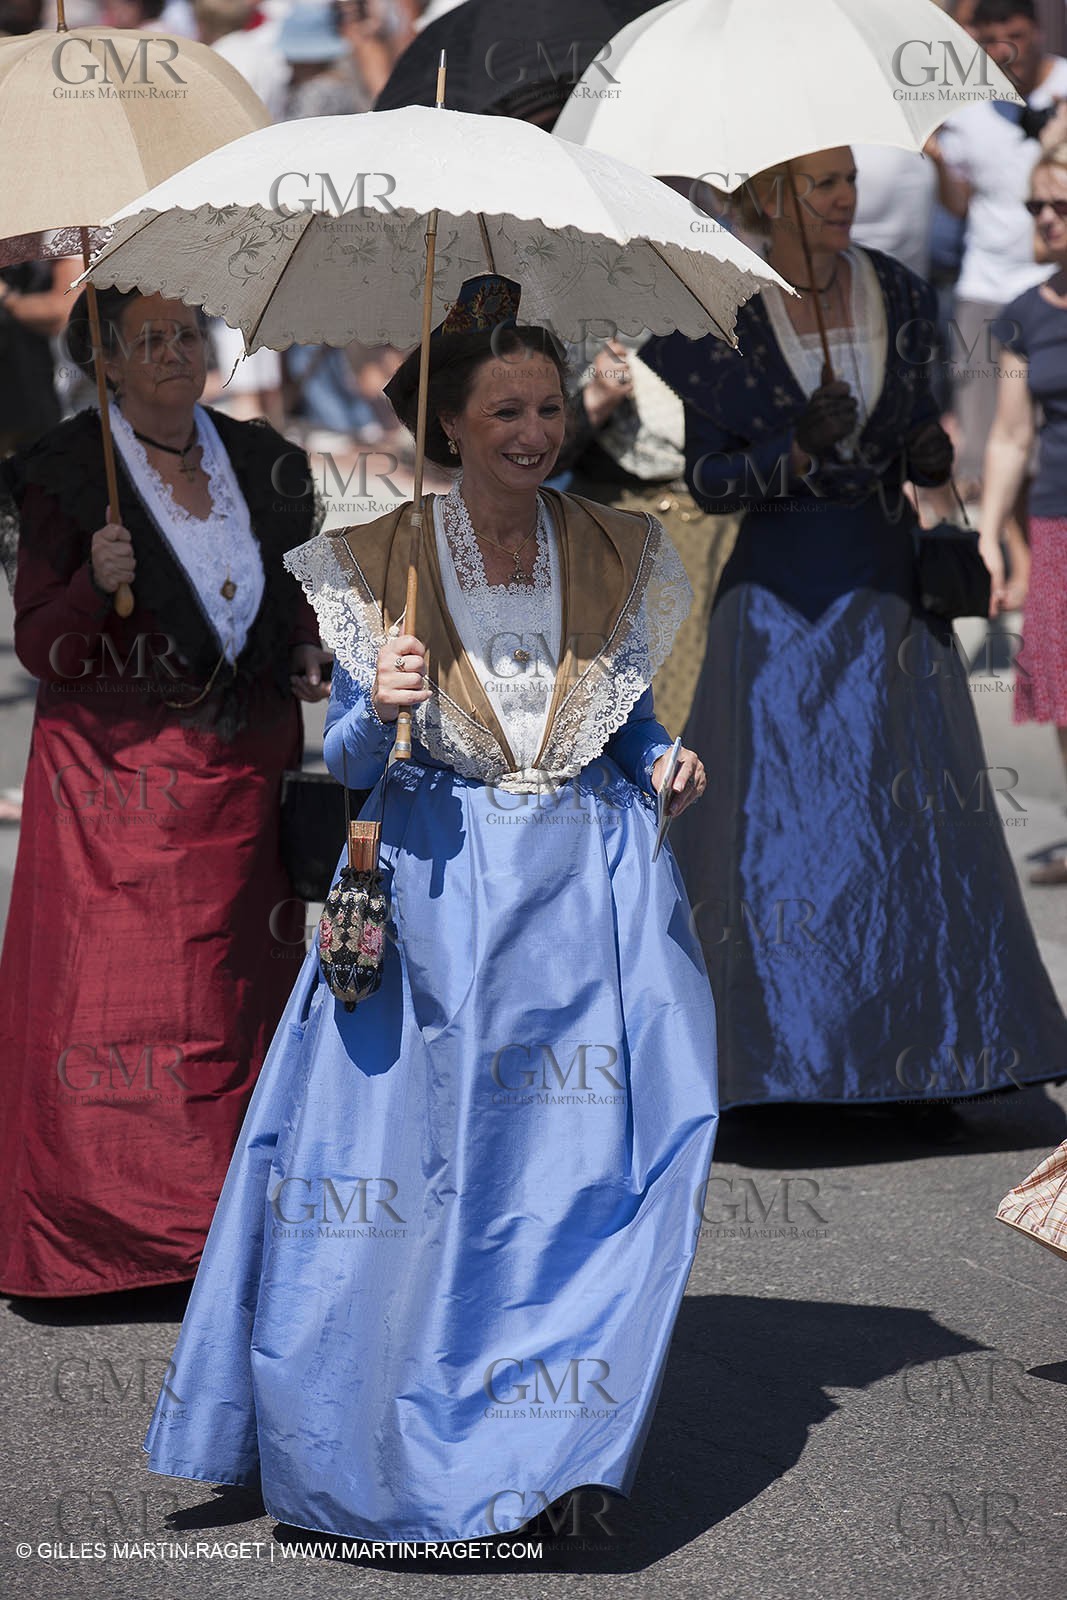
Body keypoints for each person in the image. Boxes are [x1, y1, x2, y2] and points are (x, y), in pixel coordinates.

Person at [141, 276, 718, 1541]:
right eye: (504, 408)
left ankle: (562, 1454)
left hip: (582, 903)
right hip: (439, 910)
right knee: (419, 1187)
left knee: (583, 1185)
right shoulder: (385, 557)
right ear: (448, 423)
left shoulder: (608, 547)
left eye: (549, 406)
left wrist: (660, 758)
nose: (534, 430)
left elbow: (623, 724)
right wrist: (378, 698)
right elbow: (347, 762)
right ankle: (393, 1446)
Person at [641, 147, 1067, 1110]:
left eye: (846, 181)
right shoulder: (725, 315)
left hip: (886, 591)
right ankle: (774, 1065)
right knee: (777, 834)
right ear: (768, 199)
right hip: (775, 602)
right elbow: (709, 483)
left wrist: (922, 456)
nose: (845, 199)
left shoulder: (904, 295)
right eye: (821, 184)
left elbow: (925, 453)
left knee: (905, 835)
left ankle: (919, 1061)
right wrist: (793, 452)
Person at [0, 288, 330, 1298]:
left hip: (238, 789)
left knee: (229, 1008)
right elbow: (42, 648)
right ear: (104, 362)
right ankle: (111, 1243)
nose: (178, 353)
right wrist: (95, 583)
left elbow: (286, 595)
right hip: (116, 795)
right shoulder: (67, 475)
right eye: (151, 340)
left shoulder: (258, 459)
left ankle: (223, 1231)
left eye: (188, 334)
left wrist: (308, 648)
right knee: (114, 1018)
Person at [935, 0, 1067, 498]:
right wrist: (938, 164)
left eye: (1014, 35)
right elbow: (958, 207)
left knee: (1046, 441)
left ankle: (1045, 562)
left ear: (1036, 30)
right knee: (987, 441)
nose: (1003, 51)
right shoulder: (968, 111)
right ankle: (997, 562)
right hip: (986, 287)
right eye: (989, 41)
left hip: (1053, 290)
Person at [980, 141, 1067, 885]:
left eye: (1060, 205)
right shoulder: (1020, 315)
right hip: (1056, 518)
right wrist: (988, 539)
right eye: (1035, 206)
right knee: (1064, 695)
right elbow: (1009, 437)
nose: (1045, 219)